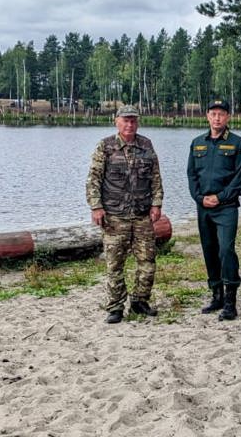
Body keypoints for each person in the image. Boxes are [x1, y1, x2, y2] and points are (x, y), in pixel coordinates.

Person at [86, 105, 163, 324]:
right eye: (125, 120)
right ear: (116, 121)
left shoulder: (146, 145)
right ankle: (116, 307)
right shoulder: (106, 146)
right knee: (114, 265)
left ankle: (140, 301)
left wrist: (156, 204)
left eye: (133, 121)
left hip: (141, 216)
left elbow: (156, 178)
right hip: (114, 216)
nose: (130, 125)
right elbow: (93, 179)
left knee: (147, 263)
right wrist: (96, 206)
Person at [187, 98, 241, 321]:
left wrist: (220, 197)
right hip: (203, 207)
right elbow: (191, 175)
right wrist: (200, 198)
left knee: (226, 250)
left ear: (228, 117)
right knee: (209, 250)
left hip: (226, 208)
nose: (217, 118)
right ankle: (217, 295)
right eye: (213, 114)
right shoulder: (197, 143)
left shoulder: (237, 143)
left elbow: (240, 178)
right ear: (207, 116)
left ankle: (231, 301)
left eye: (221, 114)